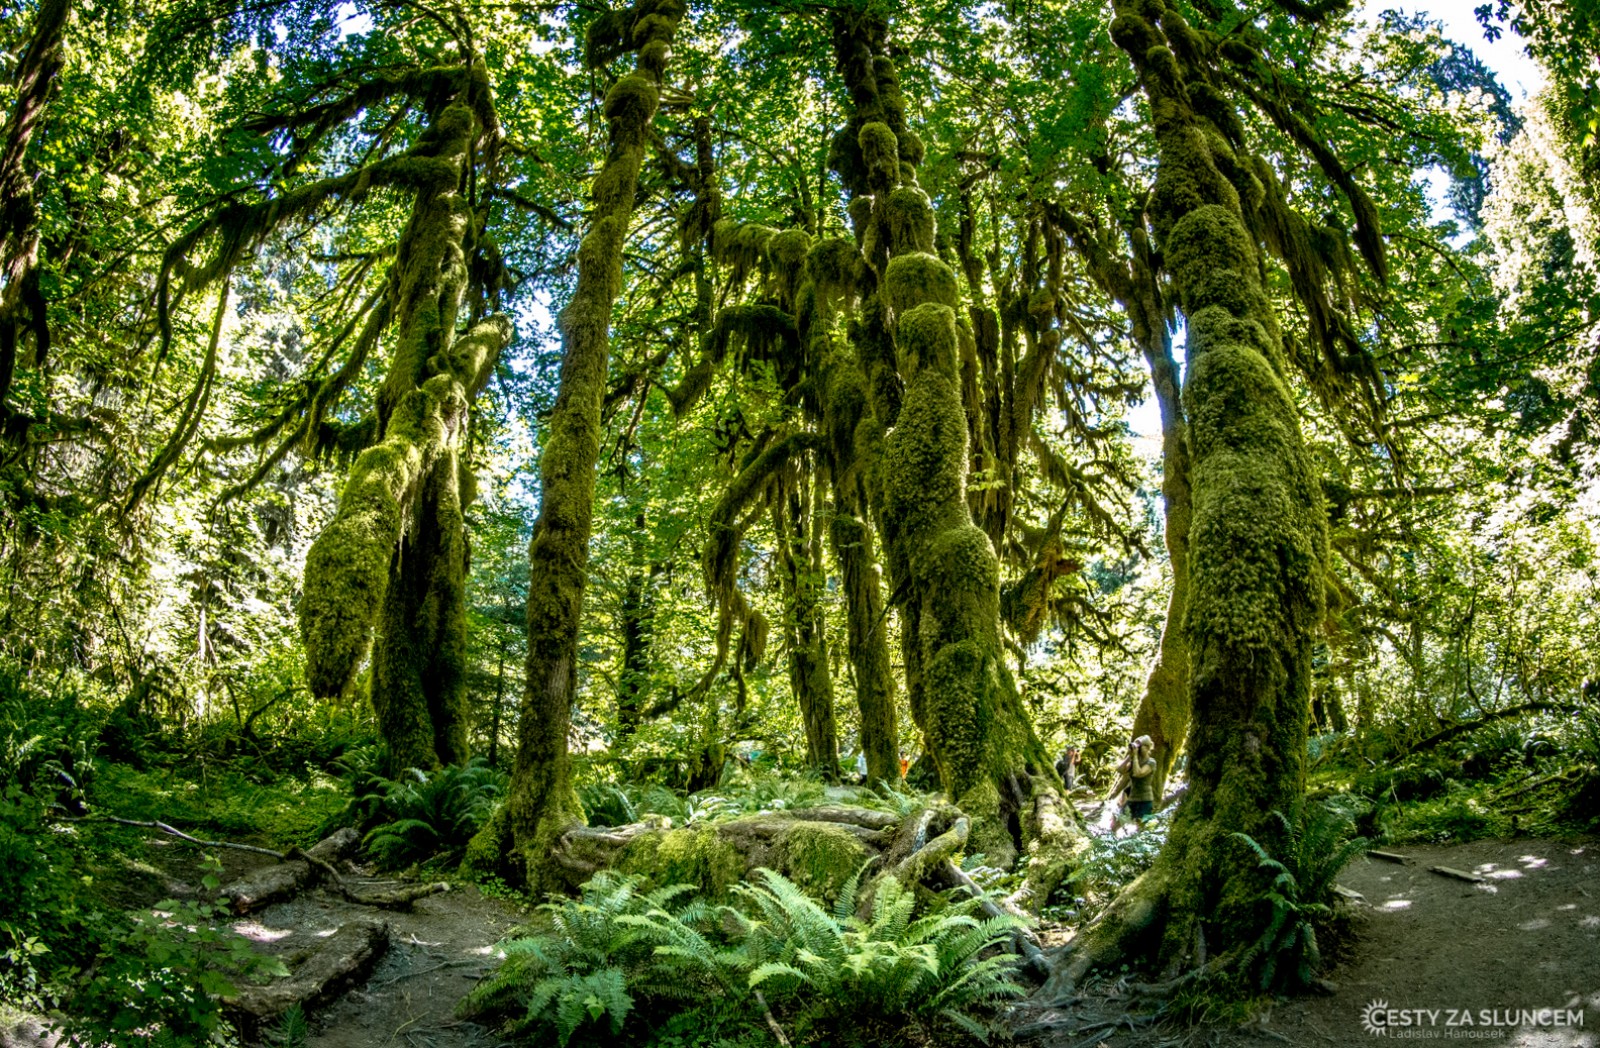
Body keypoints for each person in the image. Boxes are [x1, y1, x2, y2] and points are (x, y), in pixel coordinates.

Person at [1124, 735, 1155, 826]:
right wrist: (1129, 756)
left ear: (1147, 748)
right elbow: (1120, 770)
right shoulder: (1133, 760)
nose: (1138, 749)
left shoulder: (1151, 762)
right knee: (1116, 823)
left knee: (1141, 827)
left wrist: (1135, 757)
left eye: (1140, 746)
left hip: (1145, 800)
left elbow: (1138, 773)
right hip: (1132, 798)